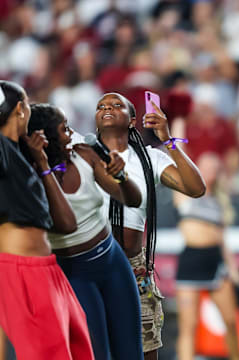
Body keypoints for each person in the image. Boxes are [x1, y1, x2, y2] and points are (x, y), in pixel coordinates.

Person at [27, 103, 144, 360]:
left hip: (113, 263)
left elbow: (133, 200)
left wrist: (122, 176)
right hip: (73, 272)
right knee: (95, 354)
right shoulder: (31, 178)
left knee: (131, 352)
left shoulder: (85, 154)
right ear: (43, 139)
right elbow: (65, 224)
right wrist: (44, 166)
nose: (71, 134)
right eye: (64, 129)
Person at [96, 92, 206, 360]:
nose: (107, 107)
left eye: (116, 105)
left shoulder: (150, 158)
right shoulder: (82, 152)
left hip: (135, 266)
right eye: (101, 106)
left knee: (145, 347)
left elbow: (196, 188)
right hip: (91, 263)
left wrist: (168, 140)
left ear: (133, 120)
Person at [0, 81, 95, 360]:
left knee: (78, 351)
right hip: (20, 270)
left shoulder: (22, 153)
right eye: (27, 104)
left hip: (47, 269)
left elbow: (66, 223)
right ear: (20, 109)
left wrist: (41, 162)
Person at [174, 152, 239, 360]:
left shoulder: (219, 200)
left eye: (214, 167)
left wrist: (234, 270)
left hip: (216, 262)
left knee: (231, 321)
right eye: (205, 166)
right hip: (191, 260)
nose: (209, 171)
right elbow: (178, 160)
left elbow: (223, 241)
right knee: (188, 326)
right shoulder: (186, 191)